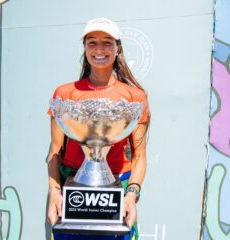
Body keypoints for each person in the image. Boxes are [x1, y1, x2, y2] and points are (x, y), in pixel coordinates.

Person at [47, 17, 150, 240]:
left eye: (107, 42)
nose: (99, 49)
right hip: (72, 187)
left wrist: (131, 195)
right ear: (84, 48)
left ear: (118, 48)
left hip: (118, 187)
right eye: (92, 42)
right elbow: (55, 151)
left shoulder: (135, 97)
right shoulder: (64, 94)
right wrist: (55, 193)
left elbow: (139, 155)